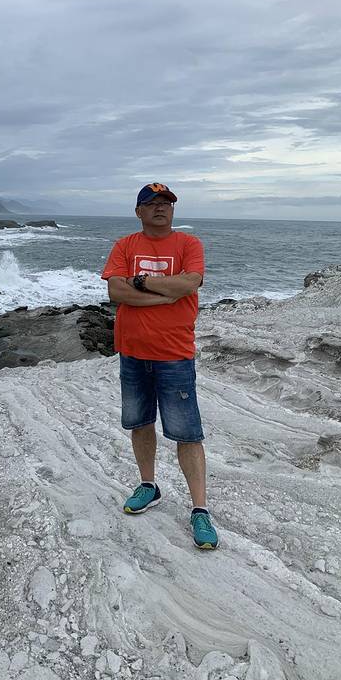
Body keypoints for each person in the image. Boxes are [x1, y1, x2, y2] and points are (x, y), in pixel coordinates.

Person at [101, 182, 218, 549]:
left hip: (175, 354)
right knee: (140, 423)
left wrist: (142, 284)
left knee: (187, 433)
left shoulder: (188, 245)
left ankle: (200, 509)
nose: (161, 207)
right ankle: (148, 486)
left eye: (166, 202)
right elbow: (116, 292)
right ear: (139, 211)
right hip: (132, 351)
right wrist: (163, 297)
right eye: (152, 202)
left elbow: (190, 283)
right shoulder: (125, 245)